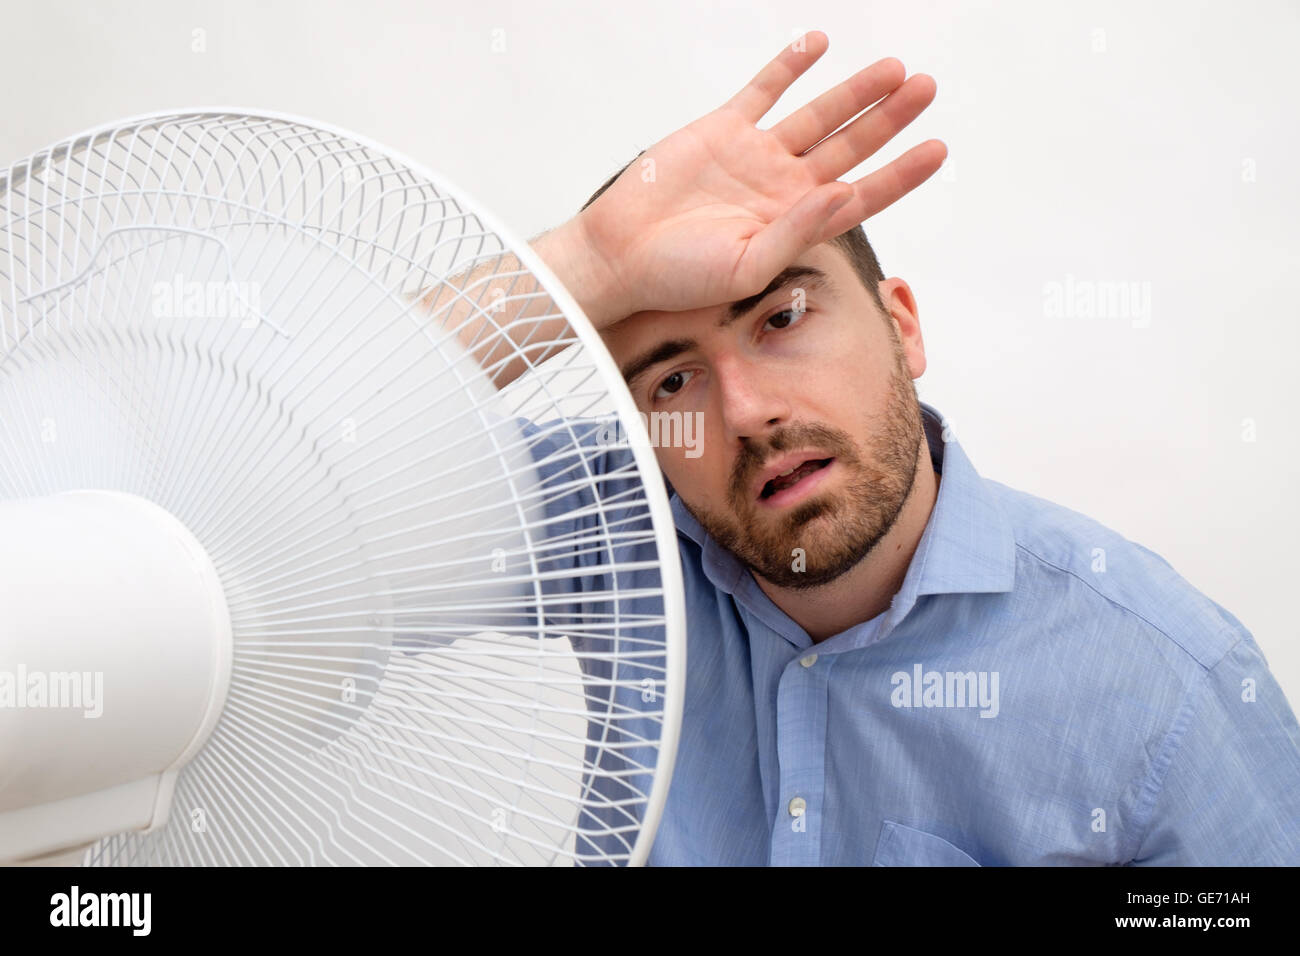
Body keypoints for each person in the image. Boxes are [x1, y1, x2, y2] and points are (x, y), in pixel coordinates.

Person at [424, 31, 1300, 865]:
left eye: (783, 318)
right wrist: (588, 263)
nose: (748, 411)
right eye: (673, 382)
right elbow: (299, 485)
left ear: (902, 326)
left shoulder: (1170, 676)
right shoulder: (614, 533)